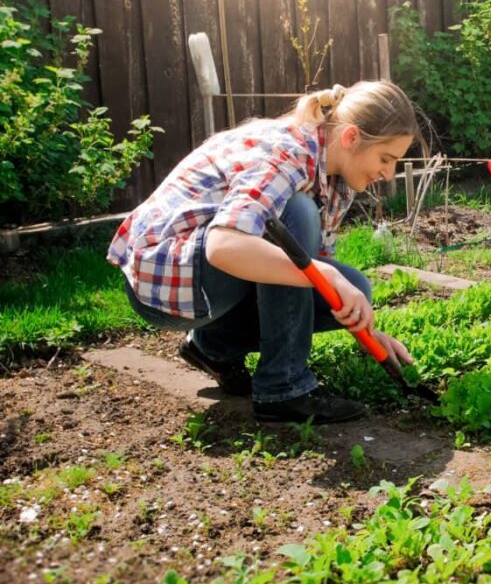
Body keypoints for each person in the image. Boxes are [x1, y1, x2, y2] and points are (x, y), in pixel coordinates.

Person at [107, 81, 419, 423]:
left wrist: (366, 331)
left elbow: (312, 263)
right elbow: (224, 246)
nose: (388, 174)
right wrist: (325, 274)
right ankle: (283, 389)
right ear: (351, 138)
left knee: (353, 288)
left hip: (207, 282)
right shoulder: (289, 153)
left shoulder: (336, 177)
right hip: (167, 278)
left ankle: (212, 347)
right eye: (386, 159)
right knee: (295, 212)